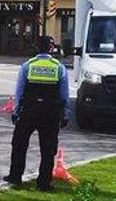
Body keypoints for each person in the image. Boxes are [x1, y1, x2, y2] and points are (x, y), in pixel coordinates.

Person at [4, 36, 70, 191]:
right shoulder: (59, 67)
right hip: (50, 113)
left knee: (19, 145)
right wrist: (65, 115)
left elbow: (19, 92)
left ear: (36, 47)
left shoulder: (28, 66)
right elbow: (64, 95)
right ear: (51, 48)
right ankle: (44, 183)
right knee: (48, 149)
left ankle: (15, 176)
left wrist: (16, 111)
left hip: (29, 111)